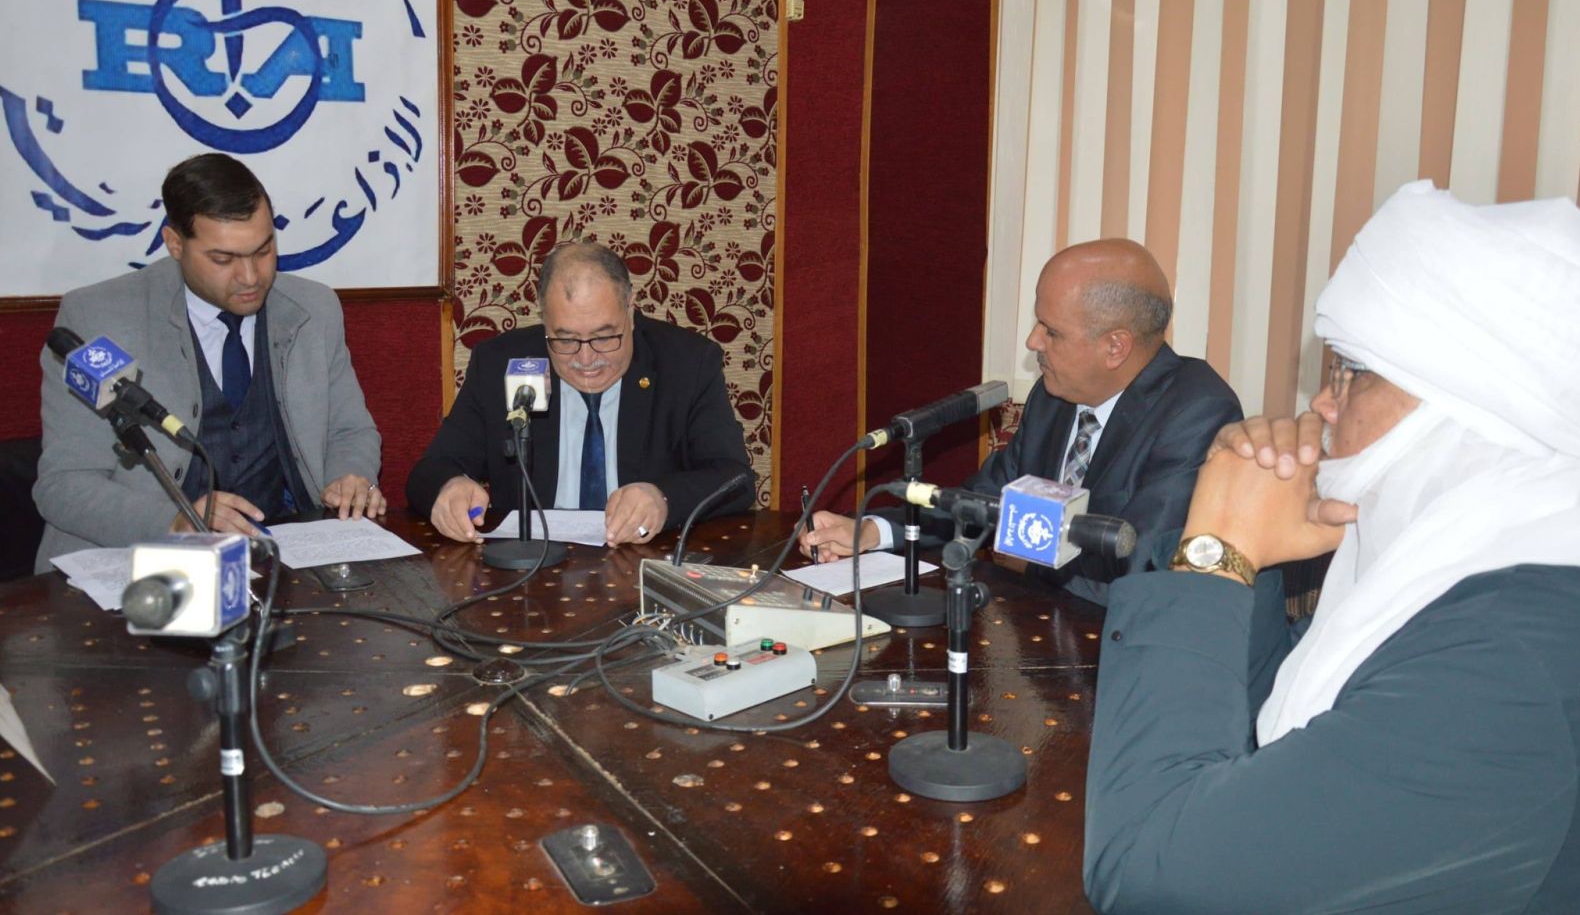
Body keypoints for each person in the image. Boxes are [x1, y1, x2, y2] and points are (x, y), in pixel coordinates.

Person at [1083, 181, 1580, 912]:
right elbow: (1261, 728)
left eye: (1351, 373)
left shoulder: (1509, 660)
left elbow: (1146, 872)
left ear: (1466, 410)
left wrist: (1216, 548)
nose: (1323, 405)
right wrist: (1251, 560)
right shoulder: (1477, 566)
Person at [801, 239, 1241, 604]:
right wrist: (872, 531)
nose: (1033, 341)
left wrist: (1025, 558)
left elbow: (1136, 563)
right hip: (1038, 627)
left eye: (1051, 330)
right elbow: (982, 503)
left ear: (1115, 347)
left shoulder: (1196, 413)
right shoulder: (1055, 397)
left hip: (1116, 648)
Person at [34, 153, 384, 573]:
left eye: (263, 250)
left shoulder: (314, 309)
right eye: (223, 259)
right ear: (174, 244)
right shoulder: (98, 320)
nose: (251, 277)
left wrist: (349, 476)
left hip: (277, 559)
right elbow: (64, 484)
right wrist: (175, 521)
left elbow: (349, 430)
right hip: (137, 562)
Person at [407, 241, 754, 547]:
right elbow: (431, 469)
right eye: (566, 339)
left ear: (631, 309)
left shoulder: (687, 363)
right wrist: (449, 488)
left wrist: (663, 498)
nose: (586, 359)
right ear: (544, 318)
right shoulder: (501, 363)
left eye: (604, 337)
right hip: (532, 569)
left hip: (643, 564)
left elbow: (735, 479)